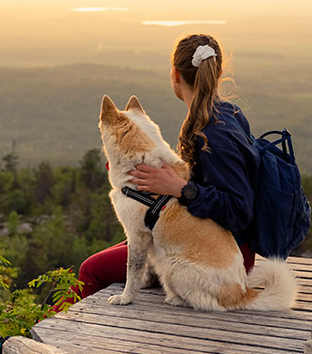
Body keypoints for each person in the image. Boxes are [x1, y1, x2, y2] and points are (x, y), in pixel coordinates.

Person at [61, 34, 260, 309]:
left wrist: (181, 189)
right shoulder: (223, 115)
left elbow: (240, 210)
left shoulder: (216, 133)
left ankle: (61, 330)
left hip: (215, 253)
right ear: (219, 73)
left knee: (91, 270)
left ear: (175, 75)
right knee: (128, 242)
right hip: (199, 237)